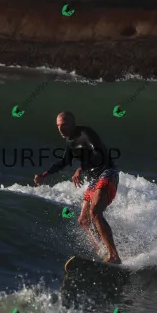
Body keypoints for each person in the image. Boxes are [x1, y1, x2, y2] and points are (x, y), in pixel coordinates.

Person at [34, 111, 122, 264]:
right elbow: (63, 162)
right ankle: (103, 251)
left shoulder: (86, 133)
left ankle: (114, 256)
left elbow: (99, 153)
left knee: (95, 211)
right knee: (83, 220)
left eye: (64, 125)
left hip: (107, 172)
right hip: (95, 179)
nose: (60, 129)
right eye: (58, 126)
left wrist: (81, 168)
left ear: (73, 124)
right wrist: (44, 175)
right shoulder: (70, 141)